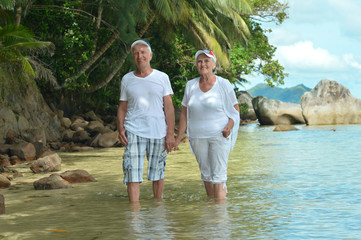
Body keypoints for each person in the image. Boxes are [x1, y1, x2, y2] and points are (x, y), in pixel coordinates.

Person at [174, 49, 240, 200]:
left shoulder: (224, 84)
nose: (202, 64)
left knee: (219, 175)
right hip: (197, 137)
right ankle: (212, 212)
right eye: (199, 61)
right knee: (206, 174)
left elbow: (235, 110)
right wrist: (178, 138)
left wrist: (229, 126)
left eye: (206, 61)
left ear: (214, 64)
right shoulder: (190, 85)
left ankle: (220, 217)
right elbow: (185, 113)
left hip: (219, 135)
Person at [117, 39, 175, 202]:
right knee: (132, 171)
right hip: (133, 130)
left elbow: (169, 107)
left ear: (150, 55)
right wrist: (120, 128)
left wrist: (170, 133)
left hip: (158, 131)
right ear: (133, 57)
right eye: (136, 53)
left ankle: (158, 209)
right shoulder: (127, 79)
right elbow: (122, 107)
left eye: (143, 52)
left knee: (158, 172)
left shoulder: (162, 77)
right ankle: (134, 213)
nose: (139, 56)